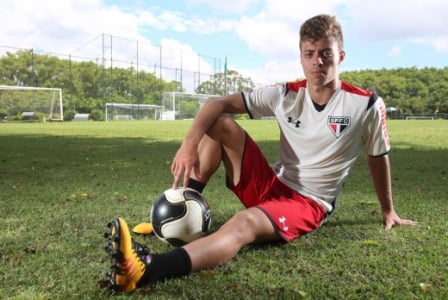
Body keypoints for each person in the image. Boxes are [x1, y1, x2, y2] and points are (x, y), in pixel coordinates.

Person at [102, 14, 418, 293]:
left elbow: (377, 158)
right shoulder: (285, 94)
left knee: (244, 223)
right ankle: (183, 210)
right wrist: (189, 143)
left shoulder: (364, 104)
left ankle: (148, 270)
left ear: (341, 56)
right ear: (301, 57)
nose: (317, 62)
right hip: (271, 183)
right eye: (309, 54)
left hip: (307, 203)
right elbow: (216, 105)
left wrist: (388, 210)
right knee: (221, 124)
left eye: (325, 54)